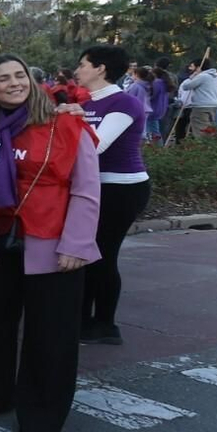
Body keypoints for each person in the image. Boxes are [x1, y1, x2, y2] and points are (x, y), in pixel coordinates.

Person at [0, 55, 101, 432]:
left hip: (53, 244)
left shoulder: (66, 123)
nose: (14, 83)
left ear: (30, 78)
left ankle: (41, 415)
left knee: (50, 335)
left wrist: (76, 244)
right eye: (2, 78)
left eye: (19, 75)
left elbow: (87, 190)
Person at [71, 46, 150, 346]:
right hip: (93, 188)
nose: (77, 70)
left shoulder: (124, 104)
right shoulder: (86, 101)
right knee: (86, 255)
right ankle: (81, 319)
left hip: (122, 189)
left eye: (82, 64)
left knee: (102, 255)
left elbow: (96, 146)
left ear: (100, 69)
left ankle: (104, 324)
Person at [177, 58, 217, 134]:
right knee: (208, 129)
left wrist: (193, 76)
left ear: (198, 67)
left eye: (192, 66)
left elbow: (186, 86)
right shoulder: (215, 76)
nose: (190, 69)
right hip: (213, 105)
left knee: (200, 130)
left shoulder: (202, 76)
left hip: (202, 106)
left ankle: (202, 145)